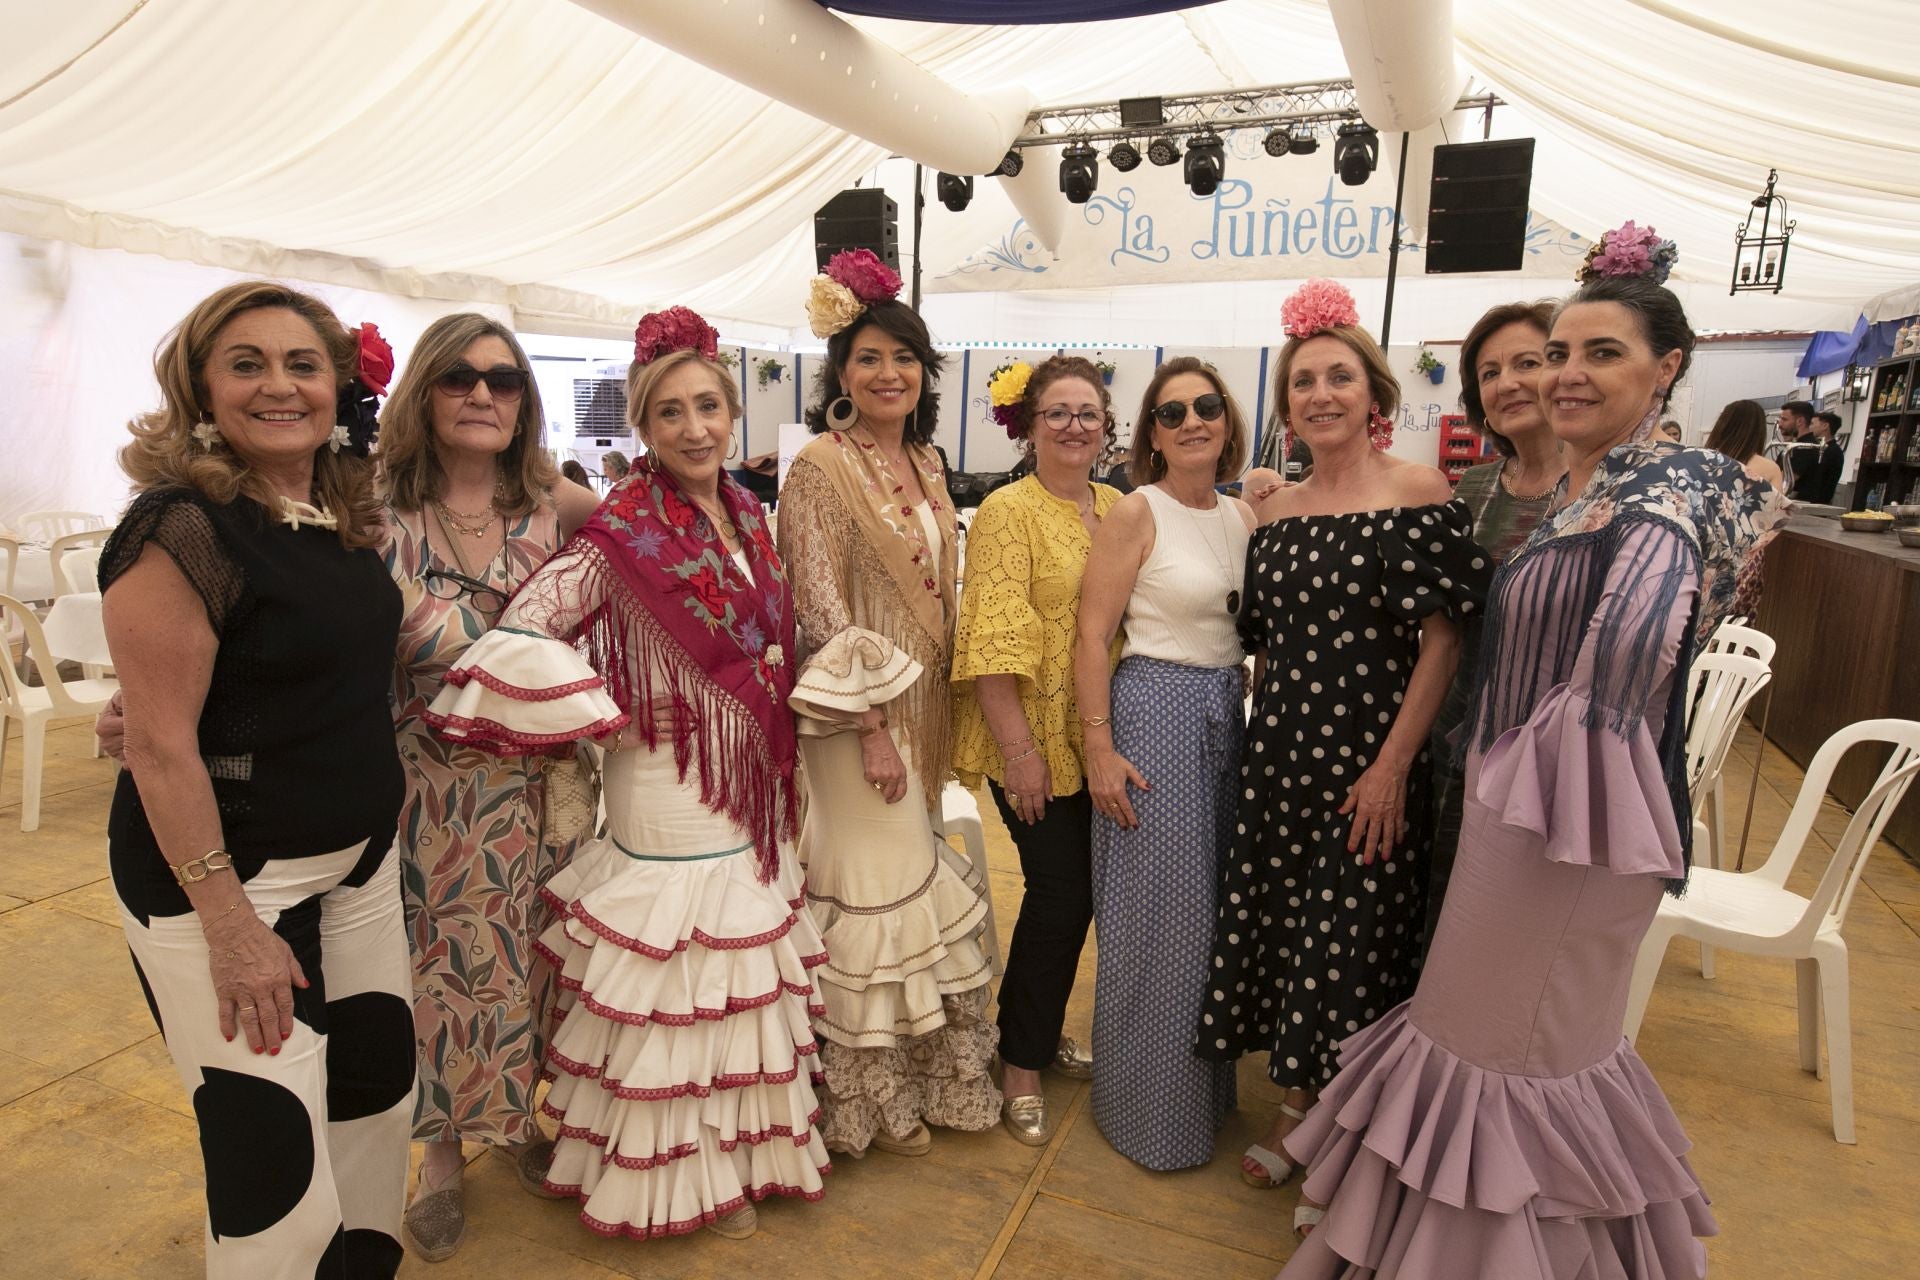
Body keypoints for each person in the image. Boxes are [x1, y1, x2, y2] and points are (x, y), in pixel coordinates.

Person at [1278, 248, 1780, 1272]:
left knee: (1507, 1048)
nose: (1565, 374)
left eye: (1603, 352)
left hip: (1565, 823)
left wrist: (1542, 769)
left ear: (1667, 368)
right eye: (1559, 352)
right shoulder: (1589, 489)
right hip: (1532, 811)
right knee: (1482, 1036)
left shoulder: (1676, 481)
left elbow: (1636, 643)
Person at [425, 306, 830, 1240]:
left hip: (745, 785)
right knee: (675, 981)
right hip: (667, 780)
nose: (695, 429)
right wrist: (596, 711)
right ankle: (665, 1182)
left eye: (709, 408)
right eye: (671, 414)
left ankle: (725, 1167)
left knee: (730, 982)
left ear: (733, 414)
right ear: (643, 430)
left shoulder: (745, 513)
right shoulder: (619, 534)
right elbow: (526, 628)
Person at [100, 281, 413, 1278]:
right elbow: (159, 746)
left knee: (373, 1096)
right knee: (270, 1153)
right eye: (247, 363)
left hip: (359, 865)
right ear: (201, 387)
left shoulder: (336, 514)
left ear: (337, 387)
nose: (279, 384)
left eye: (302, 364)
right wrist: (231, 926)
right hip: (231, 885)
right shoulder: (181, 528)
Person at [1194, 280, 1488, 1195]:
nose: (1320, 394)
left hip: (1373, 757)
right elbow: (1265, 646)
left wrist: (1393, 767)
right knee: (1287, 931)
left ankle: (1339, 1127)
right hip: (1280, 754)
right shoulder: (1272, 514)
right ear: (1286, 407)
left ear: (1375, 396)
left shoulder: (1418, 491)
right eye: (1303, 383)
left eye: (1339, 378)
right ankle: (1299, 1102)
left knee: (1357, 941)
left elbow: (1442, 640)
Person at [375, 313, 601, 1260]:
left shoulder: (557, 506)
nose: (482, 395)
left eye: (504, 381)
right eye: (460, 378)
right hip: (425, 784)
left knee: (540, 959)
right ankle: (438, 1157)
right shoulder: (372, 511)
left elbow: (657, 561)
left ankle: (526, 1122)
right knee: (438, 969)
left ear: (524, 402)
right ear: (423, 391)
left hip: (545, 785)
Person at [777, 251, 1001, 1157]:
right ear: (839, 372)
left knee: (908, 889)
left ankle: (907, 1083)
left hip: (922, 715)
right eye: (868, 358)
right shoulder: (820, 471)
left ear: (924, 372)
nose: (887, 374)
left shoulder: (927, 459)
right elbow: (818, 609)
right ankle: (859, 1102)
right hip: (854, 722)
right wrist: (870, 725)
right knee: (871, 899)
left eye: (903, 358)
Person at [1074, 355, 1255, 1171]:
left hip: (1226, 720)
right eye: (1172, 413)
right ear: (1152, 433)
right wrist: (1099, 749)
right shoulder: (1135, 511)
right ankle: (1146, 1113)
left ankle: (1202, 1098)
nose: (1192, 422)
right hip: (1154, 718)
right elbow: (1090, 635)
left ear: (1227, 420)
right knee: (1159, 924)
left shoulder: (1244, 516)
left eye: (1206, 407)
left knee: (1212, 918)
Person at [951, 354, 1120, 1145]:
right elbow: (989, 638)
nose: (1075, 426)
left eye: (1087, 412)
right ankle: (1019, 1059)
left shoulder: (1118, 507)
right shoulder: (1007, 511)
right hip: (1027, 737)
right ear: (1029, 425)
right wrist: (1021, 753)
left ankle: (1037, 1026)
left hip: (1098, 739)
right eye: (1058, 412)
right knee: (1060, 895)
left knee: (1081, 898)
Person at [1423, 301, 1565, 952]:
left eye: (1527, 363)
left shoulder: (1601, 493)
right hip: (1452, 739)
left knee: (1512, 938)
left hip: (1548, 755)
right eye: (1489, 371)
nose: (1506, 382)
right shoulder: (1475, 488)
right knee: (1436, 915)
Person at [1704, 399, 1786, 489]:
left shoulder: (1701, 460)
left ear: (1722, 425)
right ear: (1759, 430)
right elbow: (1777, 502)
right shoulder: (1770, 469)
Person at [1777, 398, 1817, 496]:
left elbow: (1785, 481)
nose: (1780, 424)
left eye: (1784, 419)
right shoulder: (1794, 447)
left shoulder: (1805, 448)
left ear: (1800, 421)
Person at [1807, 409, 1845, 504]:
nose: (1809, 427)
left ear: (1825, 426)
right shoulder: (1820, 448)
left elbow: (1819, 482)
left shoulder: (1832, 452)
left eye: (1812, 424)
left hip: (1816, 505)